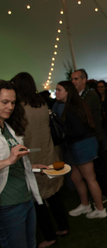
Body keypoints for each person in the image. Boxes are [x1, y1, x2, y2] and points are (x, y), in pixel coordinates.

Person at [11, 73, 69, 248]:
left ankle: (50, 236)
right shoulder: (42, 103)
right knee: (54, 194)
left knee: (39, 199)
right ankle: (63, 227)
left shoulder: (18, 108)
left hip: (31, 157)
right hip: (49, 152)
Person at [0, 80, 48, 248]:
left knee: (31, 243)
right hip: (7, 204)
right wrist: (8, 160)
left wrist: (34, 168)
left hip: (25, 197)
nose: (10, 107)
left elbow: (15, 164)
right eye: (4, 102)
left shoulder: (8, 127)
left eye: (13, 102)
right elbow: (9, 161)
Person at [55, 81, 107, 219]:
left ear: (68, 92)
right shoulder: (73, 105)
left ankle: (100, 209)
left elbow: (78, 130)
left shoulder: (72, 108)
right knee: (75, 177)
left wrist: (63, 134)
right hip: (81, 144)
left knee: (90, 178)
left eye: (59, 90)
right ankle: (85, 205)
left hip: (82, 144)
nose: (56, 92)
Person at [71, 69, 107, 203]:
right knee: (91, 169)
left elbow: (83, 115)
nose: (73, 82)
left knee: (99, 167)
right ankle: (97, 193)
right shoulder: (78, 96)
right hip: (87, 137)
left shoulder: (90, 95)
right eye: (72, 79)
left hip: (95, 136)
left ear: (84, 80)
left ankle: (106, 192)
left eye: (76, 79)